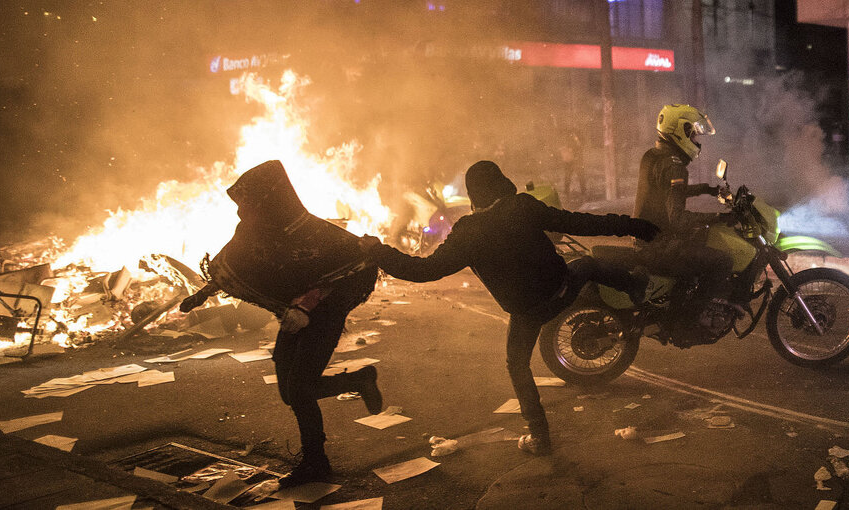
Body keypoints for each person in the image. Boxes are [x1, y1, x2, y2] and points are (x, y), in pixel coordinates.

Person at [359, 160, 658, 456]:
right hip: (563, 290)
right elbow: (582, 223)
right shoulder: (522, 207)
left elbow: (422, 270)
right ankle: (635, 287)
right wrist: (635, 226)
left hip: (528, 311)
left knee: (517, 366)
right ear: (501, 183)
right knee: (588, 264)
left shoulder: (466, 232)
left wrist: (378, 251)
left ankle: (540, 437)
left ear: (474, 195)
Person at [179, 160, 382, 488]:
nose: (241, 213)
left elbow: (341, 270)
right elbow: (239, 262)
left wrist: (306, 305)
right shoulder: (254, 230)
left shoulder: (312, 232)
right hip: (292, 317)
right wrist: (203, 293)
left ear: (268, 200)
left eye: (247, 204)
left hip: (322, 314)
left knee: (300, 389)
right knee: (291, 392)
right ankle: (359, 380)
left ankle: (316, 461)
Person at [633, 104, 738, 308]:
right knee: (722, 261)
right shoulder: (675, 166)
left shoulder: (654, 155)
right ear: (680, 131)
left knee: (699, 239)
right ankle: (688, 319)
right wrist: (720, 218)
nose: (696, 141)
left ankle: (682, 299)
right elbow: (678, 220)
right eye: (693, 135)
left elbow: (668, 191)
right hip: (658, 248)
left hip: (645, 240)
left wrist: (708, 189)